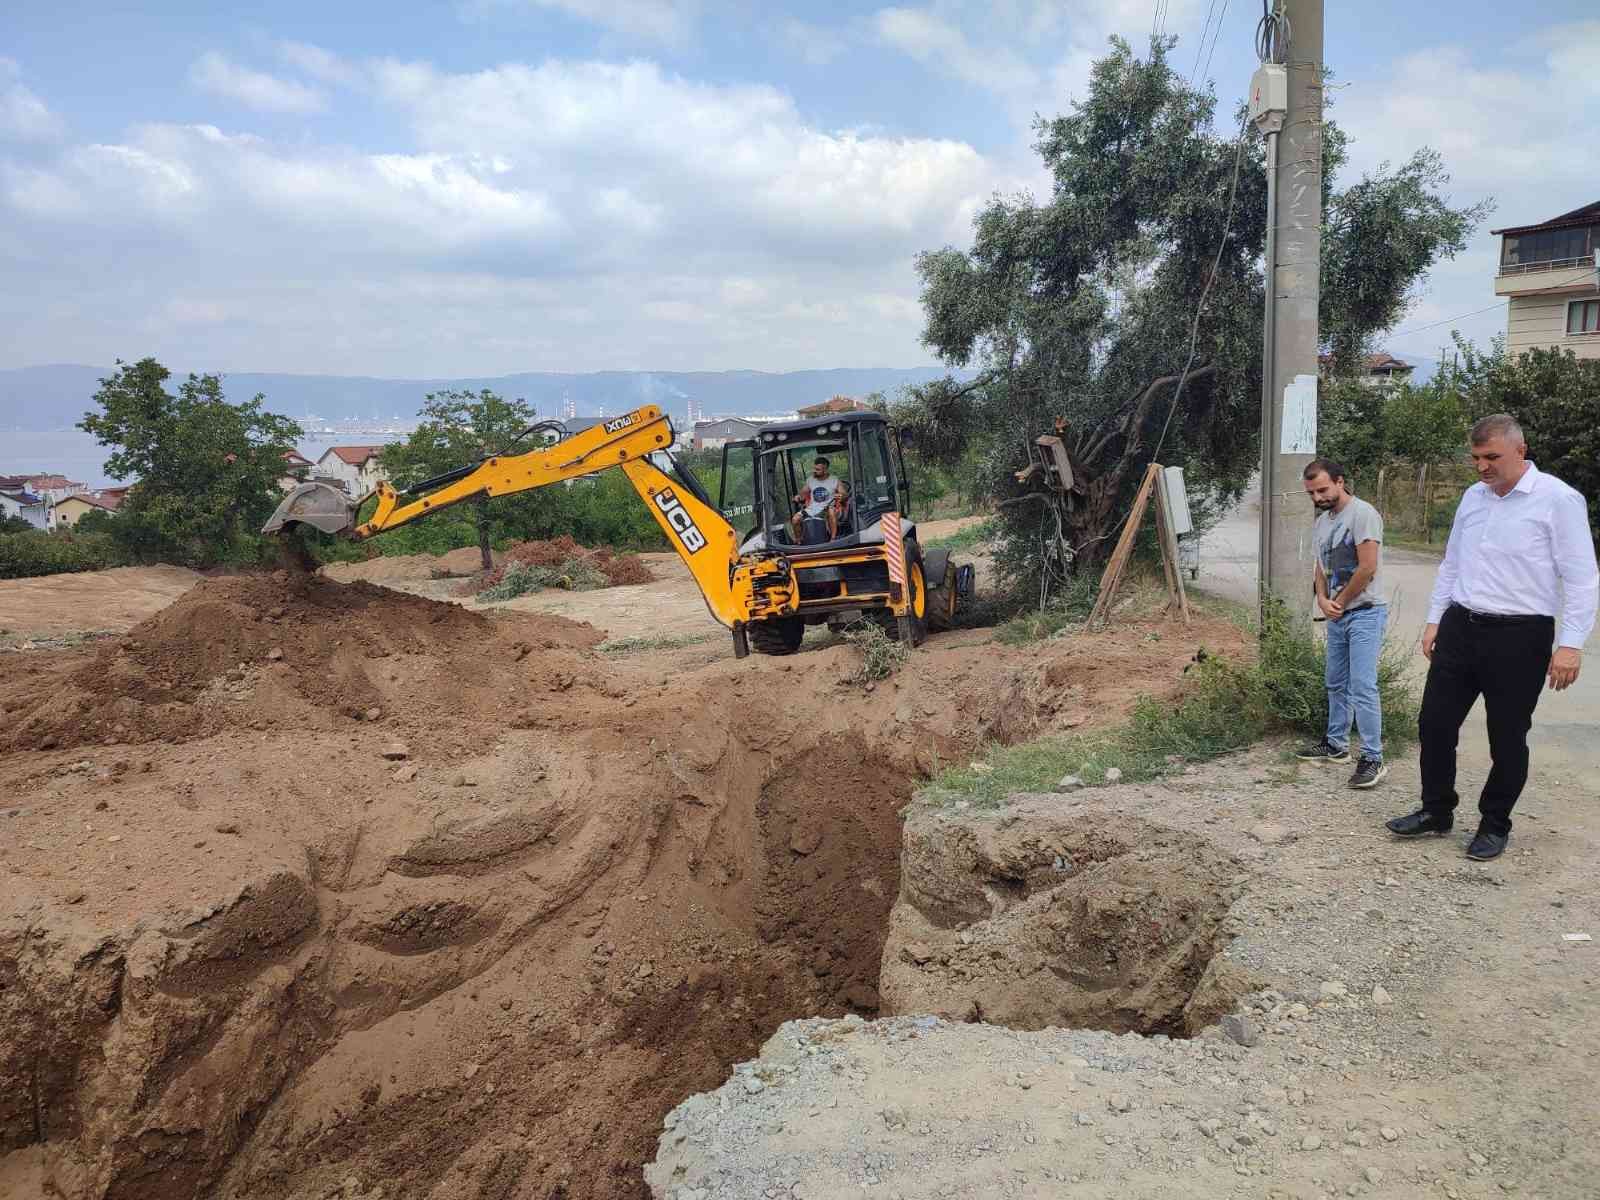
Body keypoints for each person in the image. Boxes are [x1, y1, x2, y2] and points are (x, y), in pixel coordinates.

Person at [1386, 414, 1598, 861]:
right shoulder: (1473, 497)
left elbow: (1582, 579)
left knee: (1507, 736)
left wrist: (1571, 643)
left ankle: (1494, 823)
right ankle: (1436, 810)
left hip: (1521, 635)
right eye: (1476, 458)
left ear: (1520, 451)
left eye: (1492, 457)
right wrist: (1434, 620)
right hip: (1462, 626)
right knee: (1435, 723)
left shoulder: (1558, 500)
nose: (1482, 467)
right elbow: (1452, 563)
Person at [1296, 458, 1389, 788]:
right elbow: (1320, 568)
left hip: (1364, 612)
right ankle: (1336, 745)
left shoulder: (1363, 514)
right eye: (1311, 493)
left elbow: (1367, 568)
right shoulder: (1322, 523)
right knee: (1335, 682)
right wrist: (1322, 599)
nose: (1317, 498)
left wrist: (1340, 602)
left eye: (1322, 490)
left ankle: (1373, 757)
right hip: (1337, 613)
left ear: (1339, 481)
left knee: (1363, 687)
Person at [791, 456, 842, 543]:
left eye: (818, 469)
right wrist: (798, 497)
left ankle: (833, 539)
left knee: (831, 511)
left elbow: (843, 494)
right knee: (795, 519)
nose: (814, 471)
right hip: (813, 509)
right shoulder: (810, 480)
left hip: (829, 507)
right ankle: (799, 541)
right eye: (814, 469)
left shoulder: (834, 480)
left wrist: (841, 495)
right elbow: (802, 494)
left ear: (825, 470)